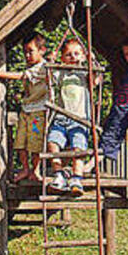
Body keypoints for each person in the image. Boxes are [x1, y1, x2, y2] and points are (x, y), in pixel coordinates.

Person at [0, 32, 49, 182]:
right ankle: (25, 169)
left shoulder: (43, 67)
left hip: (38, 112)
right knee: (20, 142)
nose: (27, 55)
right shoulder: (31, 65)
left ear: (42, 50)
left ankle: (35, 170)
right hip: (26, 110)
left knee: (35, 143)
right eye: (25, 51)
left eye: (30, 51)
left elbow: (22, 76)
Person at [87, 36, 128, 171]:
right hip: (117, 109)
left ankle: (90, 165)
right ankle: (92, 164)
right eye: (127, 54)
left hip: (124, 111)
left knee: (110, 137)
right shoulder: (127, 70)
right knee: (107, 133)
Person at [47, 38, 97, 197]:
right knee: (52, 143)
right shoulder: (60, 72)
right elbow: (49, 78)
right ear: (62, 58)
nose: (73, 57)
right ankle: (59, 175)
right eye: (68, 55)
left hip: (79, 120)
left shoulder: (83, 73)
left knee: (78, 148)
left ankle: (76, 178)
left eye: (77, 54)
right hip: (60, 119)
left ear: (83, 56)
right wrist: (51, 61)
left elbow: (95, 80)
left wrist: (92, 62)